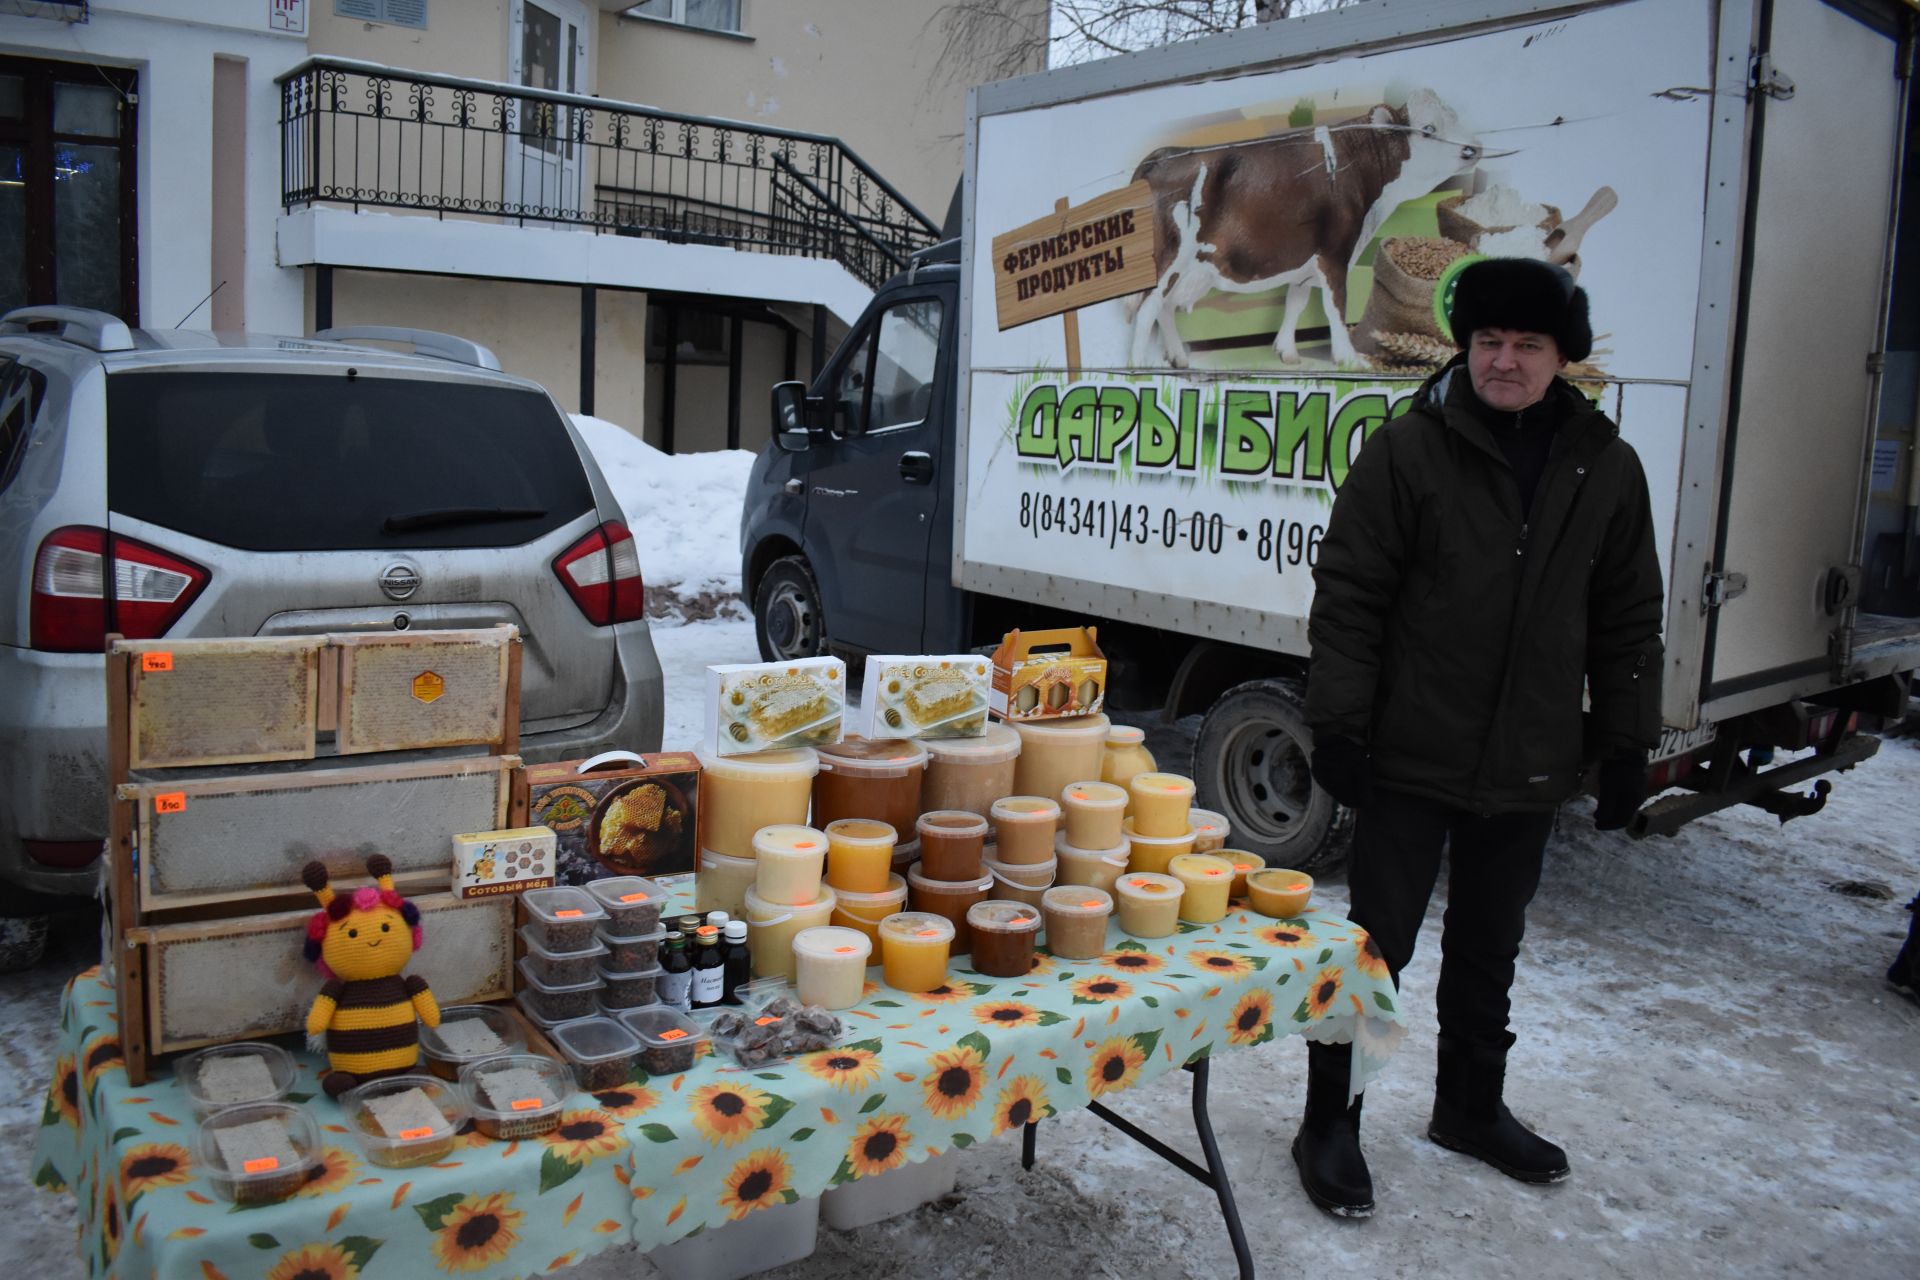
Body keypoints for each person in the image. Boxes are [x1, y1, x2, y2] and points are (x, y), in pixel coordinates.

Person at [1296, 257, 1665, 1217]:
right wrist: (1339, 726)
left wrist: (1626, 745)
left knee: (1489, 952)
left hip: (1530, 759)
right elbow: (1350, 599)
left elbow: (1629, 619)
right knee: (1374, 953)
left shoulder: (1606, 468)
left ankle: (1469, 1105)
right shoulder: (1408, 452)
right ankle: (1328, 1122)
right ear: (1466, 347)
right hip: (1411, 753)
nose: (1505, 361)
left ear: (1561, 357)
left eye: (1527, 345)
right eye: (1489, 341)